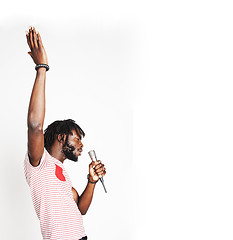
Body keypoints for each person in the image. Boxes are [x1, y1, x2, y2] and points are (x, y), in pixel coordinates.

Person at [24, 27, 106, 240]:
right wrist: (42, 67)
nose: (81, 145)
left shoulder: (62, 173)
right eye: (77, 138)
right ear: (61, 137)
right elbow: (35, 125)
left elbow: (80, 209)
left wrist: (92, 180)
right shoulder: (39, 163)